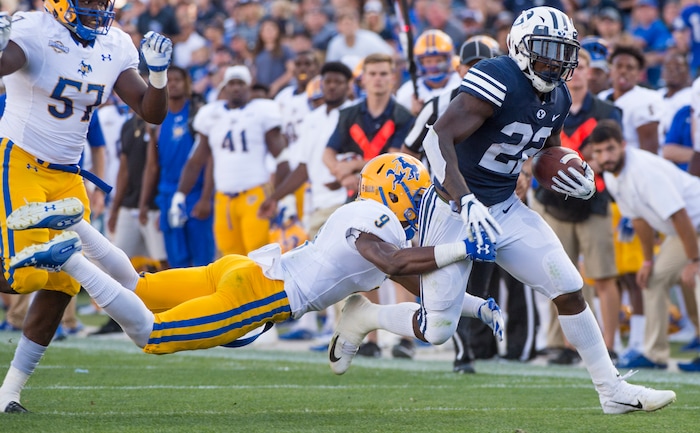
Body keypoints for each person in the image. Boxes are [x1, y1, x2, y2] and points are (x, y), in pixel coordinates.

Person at [329, 6, 676, 414]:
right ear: (520, 47)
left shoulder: (559, 94)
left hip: (504, 206)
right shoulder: (498, 75)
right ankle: (365, 316)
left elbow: (547, 149)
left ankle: (611, 389)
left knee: (567, 285)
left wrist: (573, 171)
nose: (557, 61)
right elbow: (436, 141)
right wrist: (465, 200)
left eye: (563, 52)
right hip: (451, 208)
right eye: (546, 50)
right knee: (437, 328)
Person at [6, 154, 503, 365]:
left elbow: (422, 287)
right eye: (417, 199)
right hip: (260, 293)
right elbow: (394, 262)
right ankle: (72, 260)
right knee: (151, 336)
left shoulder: (370, 216)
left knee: (138, 289)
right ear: (399, 193)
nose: (419, 210)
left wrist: (478, 306)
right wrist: (462, 247)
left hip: (244, 269)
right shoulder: (376, 219)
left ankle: (76, 224)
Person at [0, 1, 172, 413]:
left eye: (102, 2)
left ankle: (9, 393)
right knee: (24, 277)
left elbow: (151, 112)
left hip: (68, 174)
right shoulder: (35, 28)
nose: (98, 8)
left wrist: (159, 74)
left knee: (63, 285)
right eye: (90, 0)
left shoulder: (114, 43)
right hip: (20, 160)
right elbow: (6, 63)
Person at [532, 48, 622, 365]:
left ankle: (609, 345)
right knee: (558, 275)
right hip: (554, 202)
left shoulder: (607, 110)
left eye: (585, 67)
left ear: (590, 72)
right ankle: (561, 345)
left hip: (594, 199)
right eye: (576, 66)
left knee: (603, 275)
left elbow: (613, 154)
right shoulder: (549, 102)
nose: (579, 72)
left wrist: (583, 166)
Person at [589, 119, 700, 371]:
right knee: (653, 279)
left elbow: (680, 214)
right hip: (685, 230)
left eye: (610, 149)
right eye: (599, 151)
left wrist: (694, 261)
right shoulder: (612, 174)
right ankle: (655, 354)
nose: (605, 157)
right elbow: (638, 219)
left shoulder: (644, 172)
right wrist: (647, 260)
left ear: (623, 145)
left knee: (697, 279)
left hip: (692, 222)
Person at [169, 65, 289, 257]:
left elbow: (282, 158)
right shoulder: (212, 115)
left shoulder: (262, 111)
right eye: (231, 83)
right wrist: (180, 195)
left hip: (256, 194)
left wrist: (281, 196)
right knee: (231, 258)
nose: (236, 88)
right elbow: (196, 160)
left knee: (260, 257)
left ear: (249, 86)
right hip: (223, 198)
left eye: (240, 83)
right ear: (224, 87)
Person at [140, 66, 214, 269]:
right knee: (176, 260)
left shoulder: (197, 114)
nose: (172, 84)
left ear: (186, 83)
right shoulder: (155, 120)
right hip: (167, 195)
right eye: (168, 79)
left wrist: (207, 197)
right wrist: (144, 203)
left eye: (177, 80)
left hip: (195, 193)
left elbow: (209, 160)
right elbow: (152, 166)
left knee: (203, 260)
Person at [395, 29, 461, 116]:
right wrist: (412, 116)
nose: (433, 66)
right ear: (420, 62)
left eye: (439, 60)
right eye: (428, 61)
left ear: (449, 59)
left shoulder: (461, 83)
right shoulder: (407, 92)